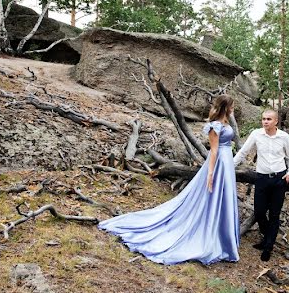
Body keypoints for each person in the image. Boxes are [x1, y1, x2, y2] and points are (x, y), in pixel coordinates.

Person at [98, 95, 239, 264]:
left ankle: (222, 235)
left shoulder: (225, 122)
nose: (233, 108)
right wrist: (210, 173)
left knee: (224, 197)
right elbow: (214, 151)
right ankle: (209, 235)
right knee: (211, 197)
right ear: (226, 106)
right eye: (232, 106)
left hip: (227, 162)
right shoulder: (215, 125)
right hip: (218, 164)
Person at [233, 109, 289, 261]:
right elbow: (243, 152)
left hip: (279, 179)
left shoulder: (284, 137)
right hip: (261, 178)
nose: (265, 121)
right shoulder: (256, 134)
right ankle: (268, 237)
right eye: (263, 119)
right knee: (260, 212)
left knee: (274, 214)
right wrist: (229, 166)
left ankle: (268, 246)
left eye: (269, 119)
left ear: (276, 121)